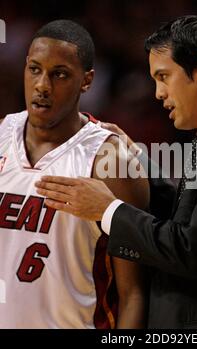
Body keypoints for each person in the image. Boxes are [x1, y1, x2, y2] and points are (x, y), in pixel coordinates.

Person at [35, 15, 197, 328]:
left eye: (163, 77)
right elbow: (186, 216)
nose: (158, 93)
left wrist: (108, 209)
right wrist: (137, 159)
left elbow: (191, 250)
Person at [0, 19, 150, 329]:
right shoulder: (1, 134)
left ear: (86, 81)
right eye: (35, 70)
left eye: (60, 74)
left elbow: (133, 293)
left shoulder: (110, 163)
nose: (43, 85)